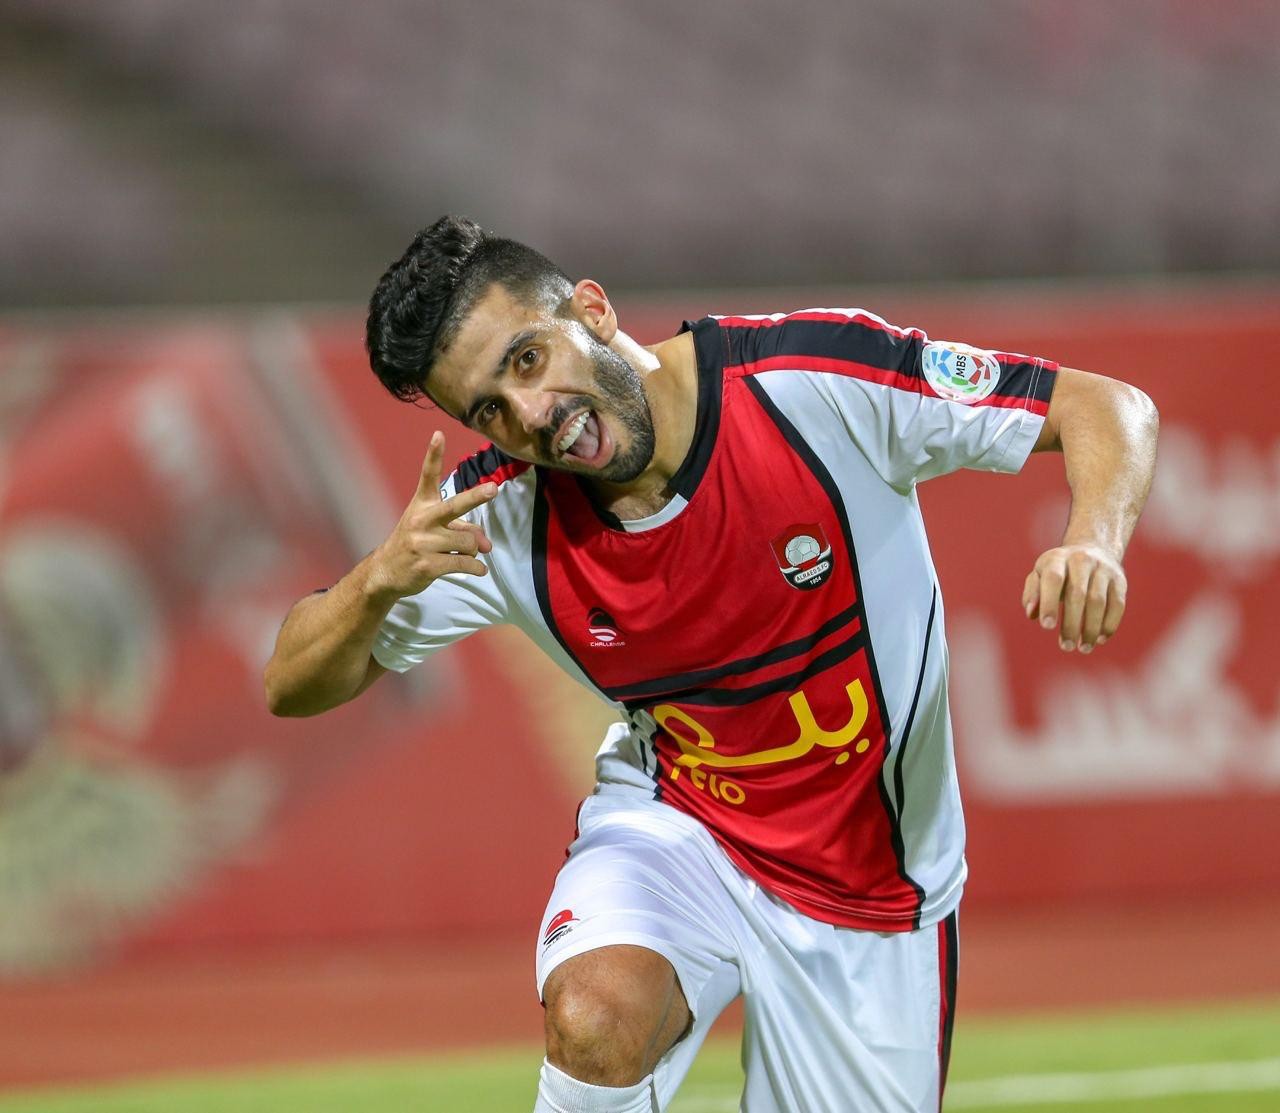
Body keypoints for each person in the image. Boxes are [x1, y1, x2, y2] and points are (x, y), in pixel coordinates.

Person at [264, 216, 1159, 1112]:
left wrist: (1094, 542)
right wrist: (375, 581)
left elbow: (1106, 406)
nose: (531, 415)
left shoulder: (812, 382)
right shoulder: (496, 515)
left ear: (592, 310)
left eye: (529, 360)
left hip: (874, 883)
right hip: (682, 829)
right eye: (489, 409)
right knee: (596, 1017)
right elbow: (290, 684)